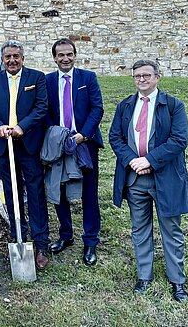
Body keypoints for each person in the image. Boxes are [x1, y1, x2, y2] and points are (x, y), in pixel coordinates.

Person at [109, 60, 188, 302]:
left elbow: (179, 140)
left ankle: (177, 281)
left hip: (165, 179)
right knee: (139, 229)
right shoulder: (125, 106)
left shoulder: (174, 105)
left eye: (146, 75)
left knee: (171, 231)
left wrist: (149, 161)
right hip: (135, 180)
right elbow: (115, 137)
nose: (141, 79)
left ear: (157, 77)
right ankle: (144, 276)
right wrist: (132, 161)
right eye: (137, 76)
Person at [0, 40, 50, 270]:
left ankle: (41, 242)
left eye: (16, 57)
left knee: (35, 193)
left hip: (28, 143)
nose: (12, 61)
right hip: (4, 145)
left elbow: (42, 107)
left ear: (23, 58)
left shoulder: (36, 78)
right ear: (2, 59)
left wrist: (23, 126)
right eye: (8, 57)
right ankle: (17, 235)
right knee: (11, 193)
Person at [45, 38, 104, 266]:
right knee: (59, 190)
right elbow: (45, 109)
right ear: (55, 58)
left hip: (84, 143)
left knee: (89, 192)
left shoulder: (87, 78)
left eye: (69, 54)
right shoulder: (48, 80)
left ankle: (90, 240)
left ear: (75, 55)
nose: (65, 58)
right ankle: (65, 235)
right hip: (58, 144)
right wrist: (56, 135)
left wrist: (83, 135)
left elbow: (97, 108)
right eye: (60, 55)